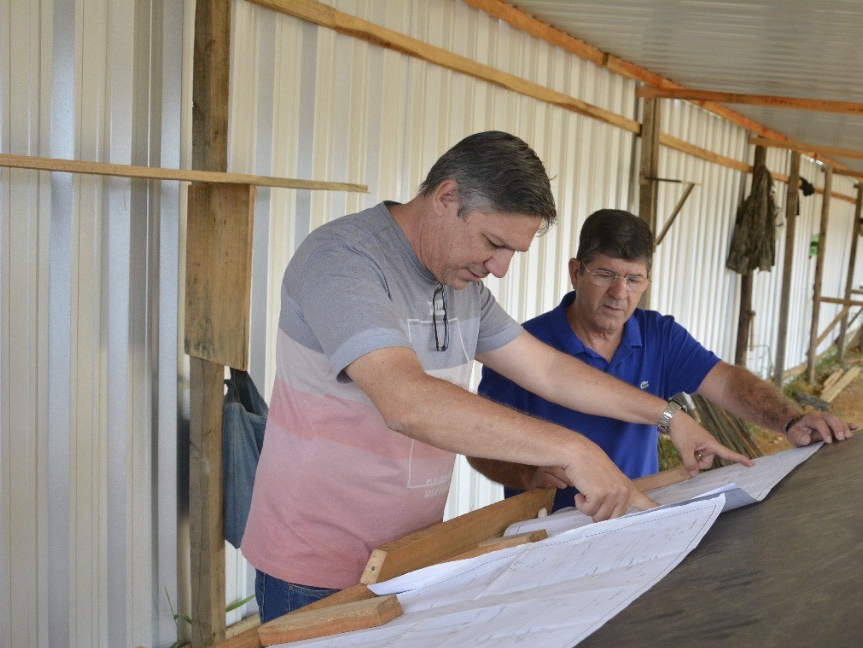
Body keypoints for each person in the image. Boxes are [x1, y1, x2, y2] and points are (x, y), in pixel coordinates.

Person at [241, 133, 747, 622]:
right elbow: (407, 402)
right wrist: (574, 449)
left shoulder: (462, 284)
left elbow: (547, 369)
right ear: (446, 197)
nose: (500, 268)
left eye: (513, 253)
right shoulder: (344, 261)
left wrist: (666, 415)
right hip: (314, 563)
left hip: (410, 551)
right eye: (493, 243)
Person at [472, 208, 855, 511]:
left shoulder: (659, 336)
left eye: (634, 279)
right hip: (552, 528)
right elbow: (480, 444)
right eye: (606, 274)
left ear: (647, 282)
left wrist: (788, 420)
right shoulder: (523, 347)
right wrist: (527, 473)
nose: (620, 293)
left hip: (642, 513)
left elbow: (726, 382)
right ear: (576, 272)